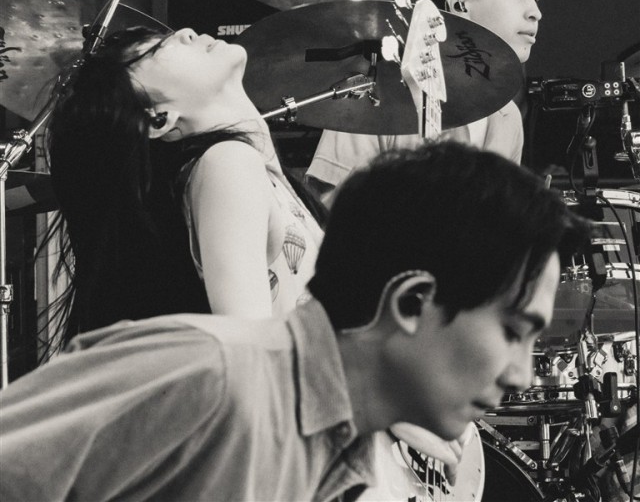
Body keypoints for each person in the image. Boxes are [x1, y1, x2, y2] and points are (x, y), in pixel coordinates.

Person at [0, 142, 588, 501]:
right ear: (411, 302)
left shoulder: (348, 456)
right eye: (513, 331)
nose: (521, 374)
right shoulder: (216, 377)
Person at [44, 26, 324, 353]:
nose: (186, 33)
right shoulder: (229, 162)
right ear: (159, 119)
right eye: (156, 49)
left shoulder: (243, 165)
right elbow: (247, 349)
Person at [306, 0, 549, 204]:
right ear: (459, 4)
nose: (535, 12)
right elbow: (327, 212)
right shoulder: (374, 95)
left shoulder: (507, 117)